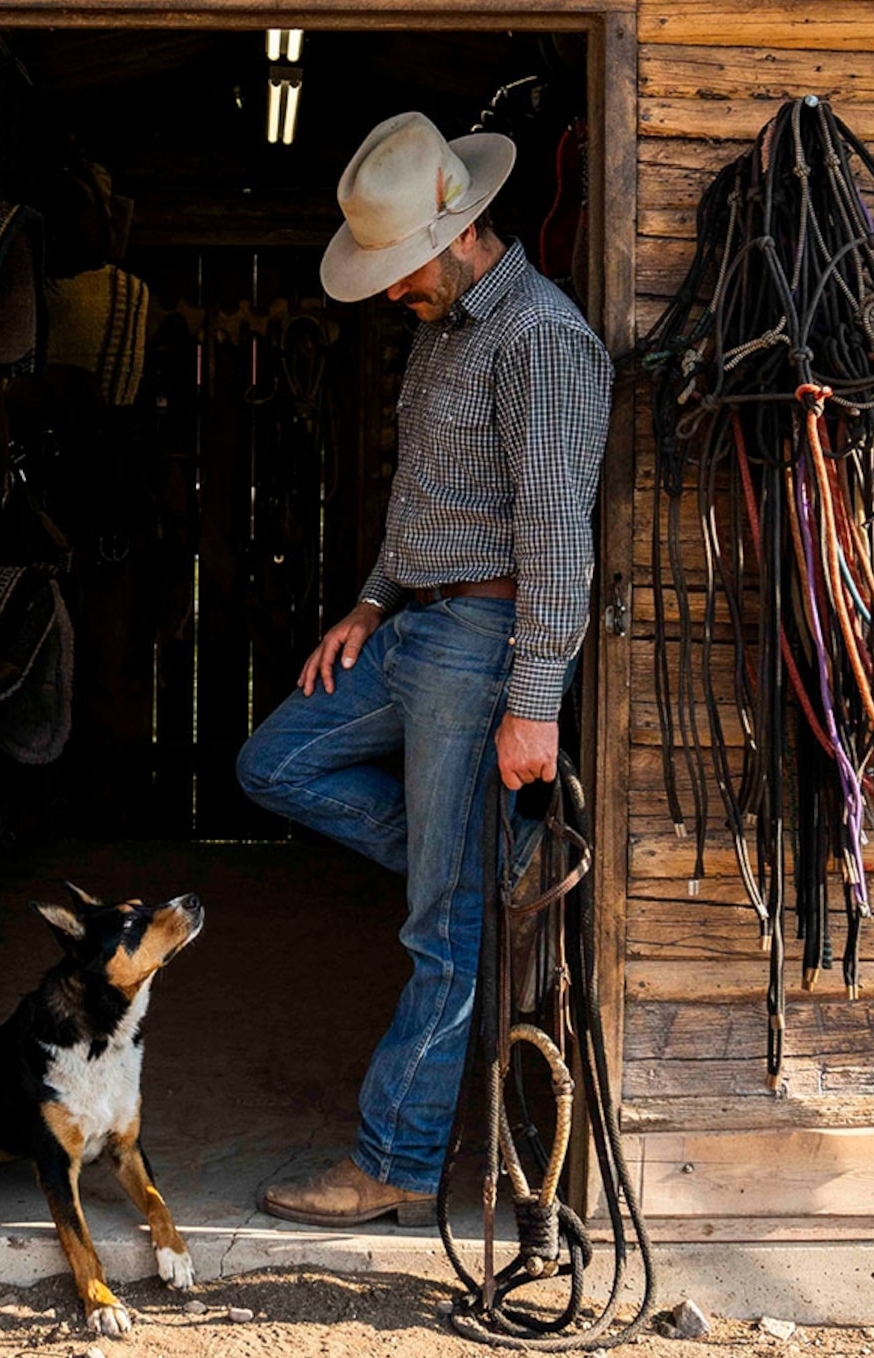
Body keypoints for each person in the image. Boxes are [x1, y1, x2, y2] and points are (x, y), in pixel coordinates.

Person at [235, 109, 613, 1229]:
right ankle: (508, 857)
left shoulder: (540, 341)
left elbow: (556, 540)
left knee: (438, 928)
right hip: (413, 626)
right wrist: (368, 601)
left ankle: (394, 1161)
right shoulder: (448, 329)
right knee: (276, 762)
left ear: (457, 234)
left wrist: (534, 704)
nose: (392, 293)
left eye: (402, 272)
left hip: (480, 644)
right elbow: (427, 505)